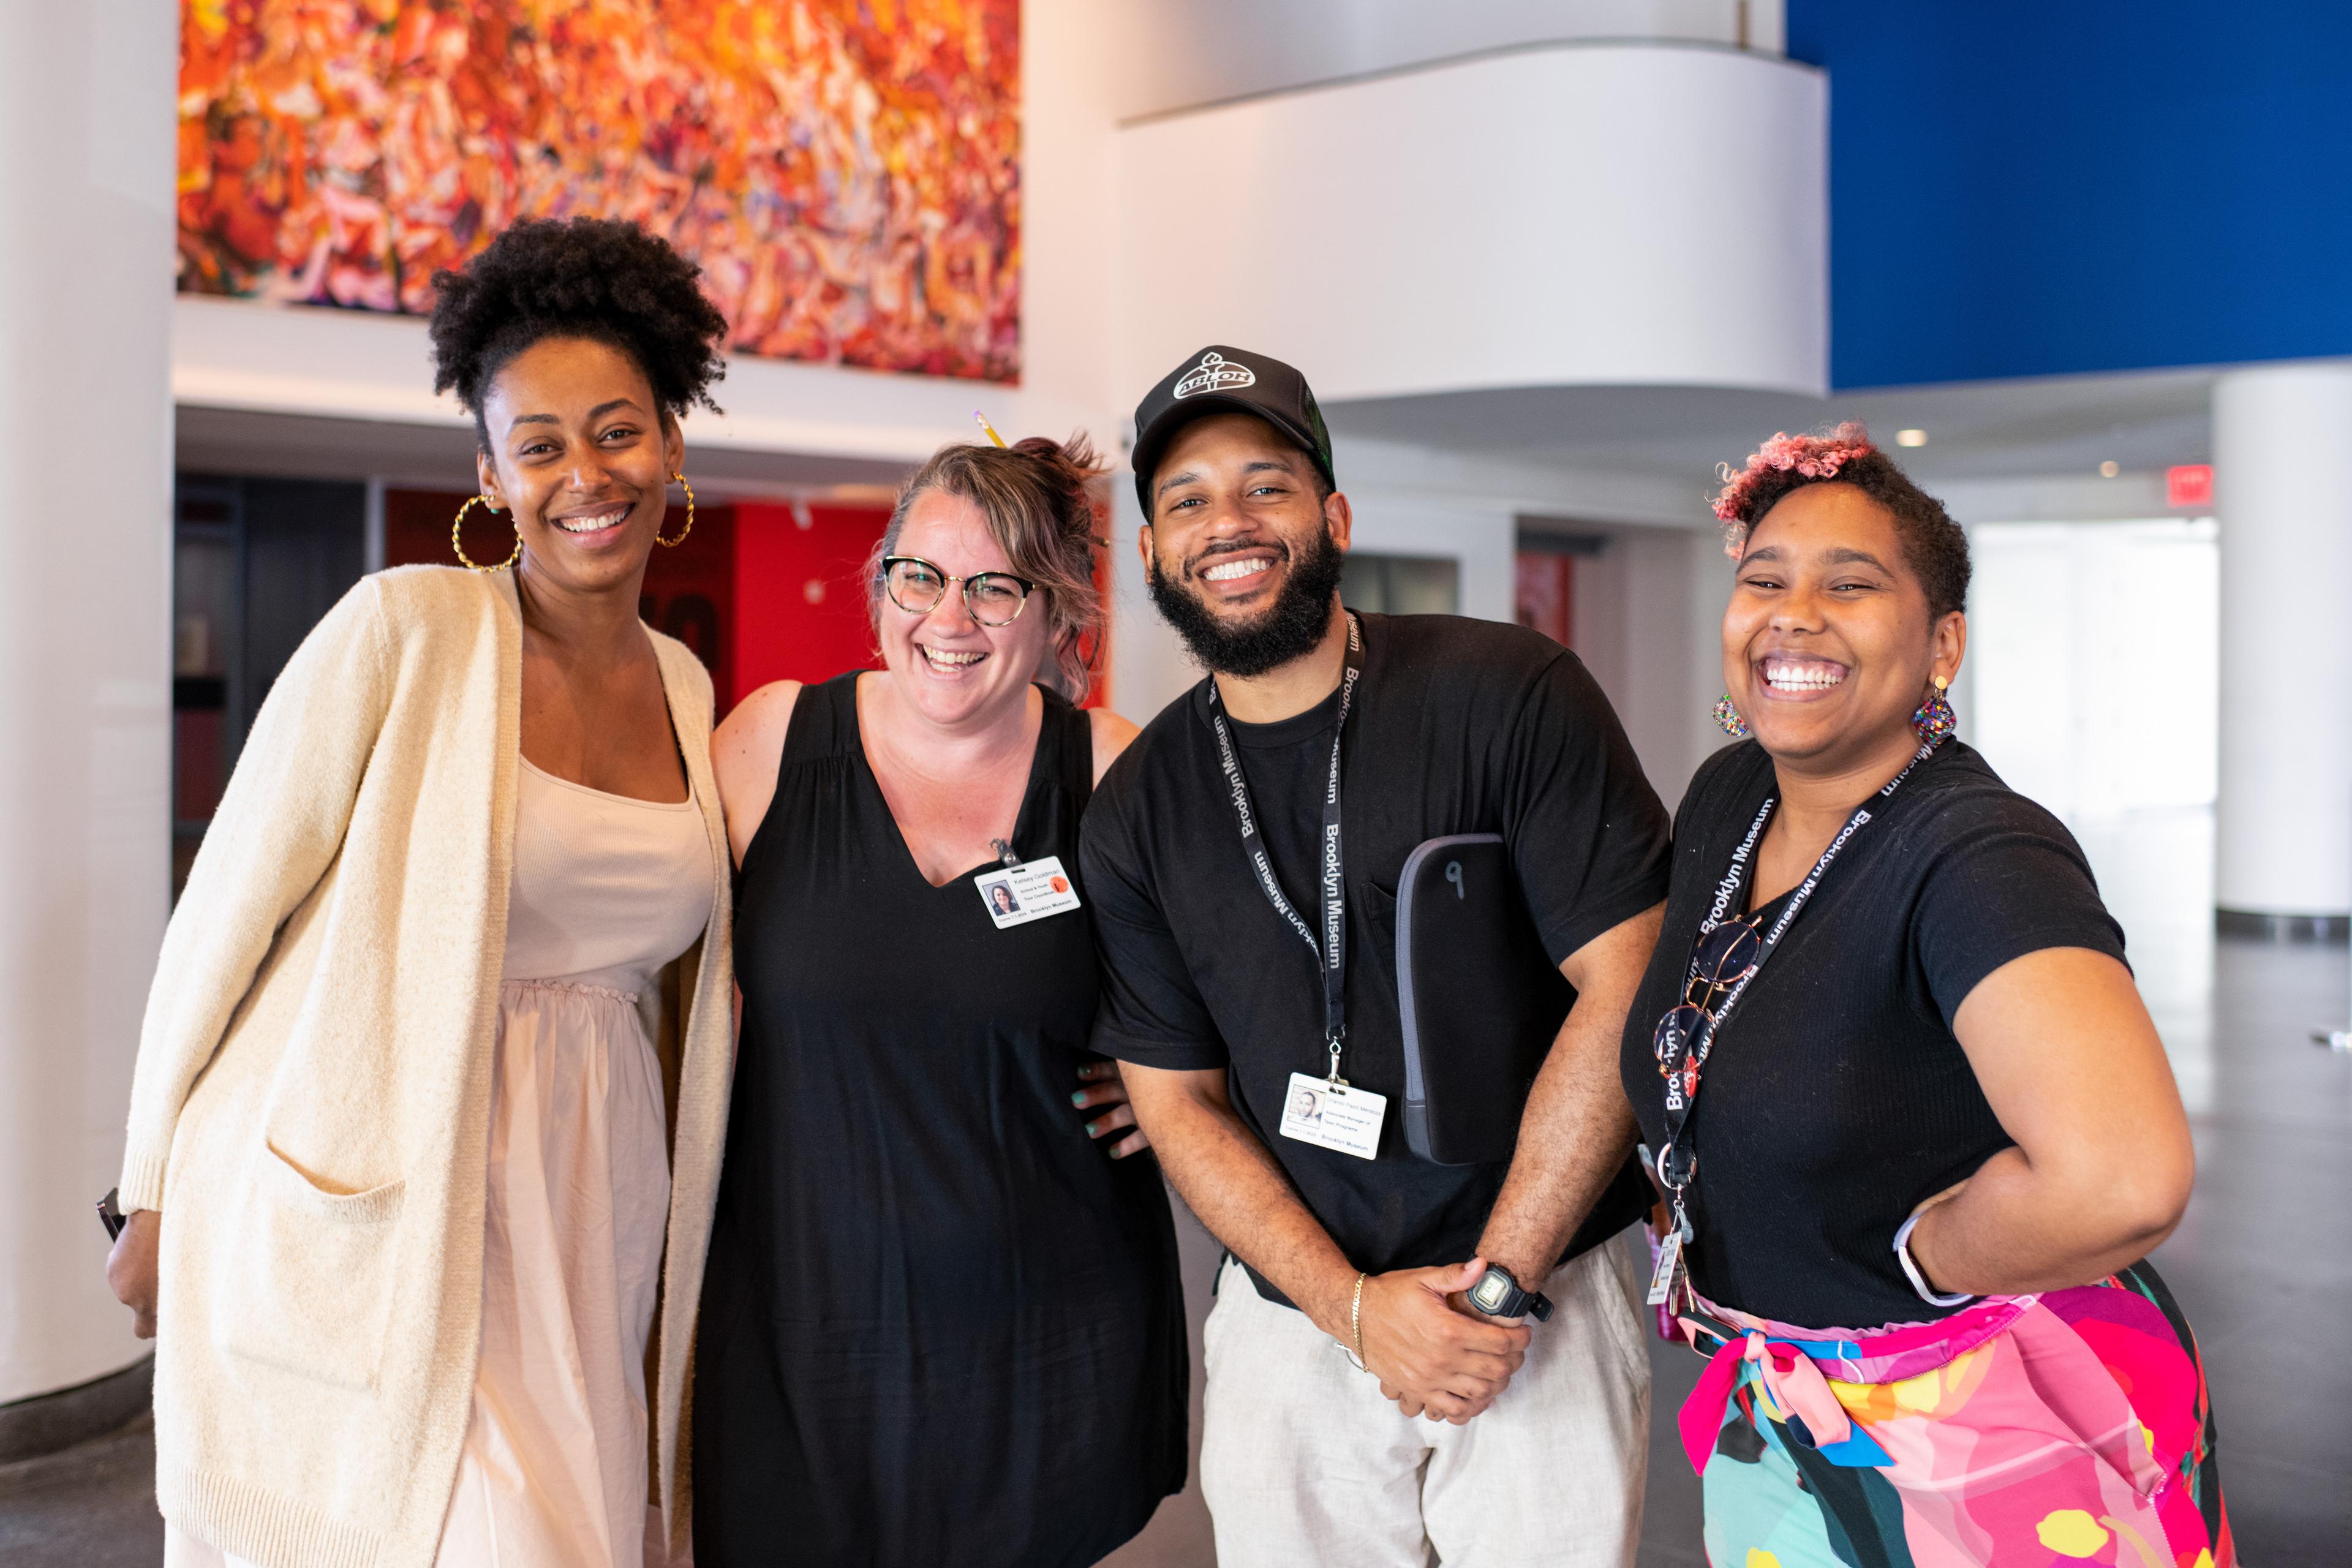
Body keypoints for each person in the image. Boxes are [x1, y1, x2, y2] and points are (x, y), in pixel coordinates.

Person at [108, 216, 737, 1568]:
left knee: (579, 1524)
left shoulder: (688, 688)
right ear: (491, 472)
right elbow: (226, 911)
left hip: (598, 1186)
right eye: (542, 443)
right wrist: (148, 1184)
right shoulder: (407, 630)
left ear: (673, 445)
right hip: (405, 1173)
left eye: (618, 430)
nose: (587, 473)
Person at [1085, 345, 1672, 1567]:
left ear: (1334, 514)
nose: (1227, 523)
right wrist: (1352, 1309)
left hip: (1536, 1296)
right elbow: (1176, 1097)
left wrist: (1492, 1294)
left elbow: (1629, 978)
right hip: (1292, 1318)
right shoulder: (1138, 806)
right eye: (1185, 500)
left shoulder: (1508, 691)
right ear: (1147, 553)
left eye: (1266, 484)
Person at [1624, 426, 2233, 1566]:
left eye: (1850, 585)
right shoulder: (1730, 796)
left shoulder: (1977, 853)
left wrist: (1924, 1259)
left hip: (1981, 1420)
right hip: (1783, 1411)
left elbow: (2123, 1180)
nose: (1793, 613)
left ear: (1942, 644)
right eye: (1765, 579)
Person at [695, 434, 1188, 1566]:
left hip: (1044, 1345)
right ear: (880, 588)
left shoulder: (1111, 772)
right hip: (798, 1335)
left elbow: (1235, 980)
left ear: (1054, 610)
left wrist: (1167, 1072)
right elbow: (643, 968)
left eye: (993, 586)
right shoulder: (769, 744)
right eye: (919, 576)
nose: (946, 617)